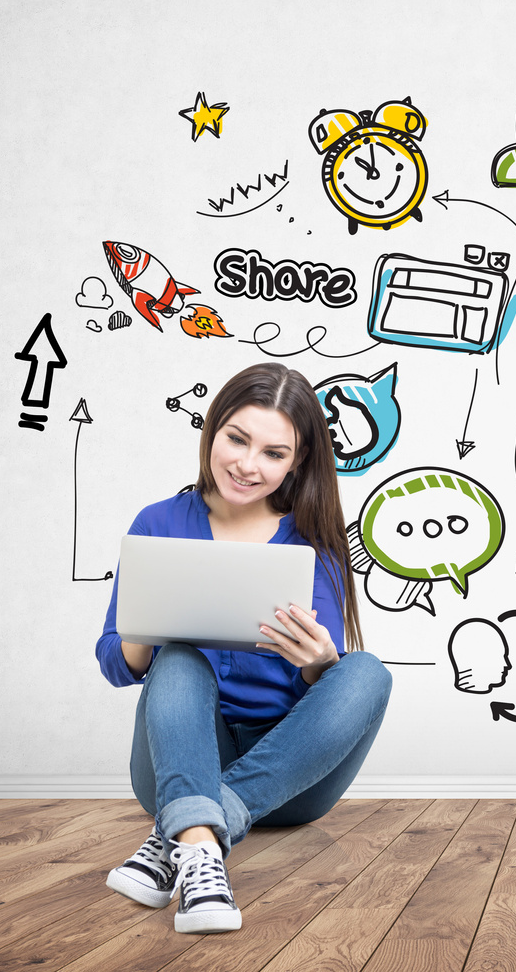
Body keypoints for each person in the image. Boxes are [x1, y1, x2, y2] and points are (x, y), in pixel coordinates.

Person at [95, 362, 393, 934]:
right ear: (213, 430)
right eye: (236, 439)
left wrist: (319, 665)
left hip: (289, 779)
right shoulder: (158, 523)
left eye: (274, 453)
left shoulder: (315, 544)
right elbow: (116, 665)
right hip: (176, 764)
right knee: (179, 656)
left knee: (366, 671)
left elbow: (325, 691)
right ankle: (200, 837)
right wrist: (145, 624)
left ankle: (188, 833)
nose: (247, 465)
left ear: (296, 462)